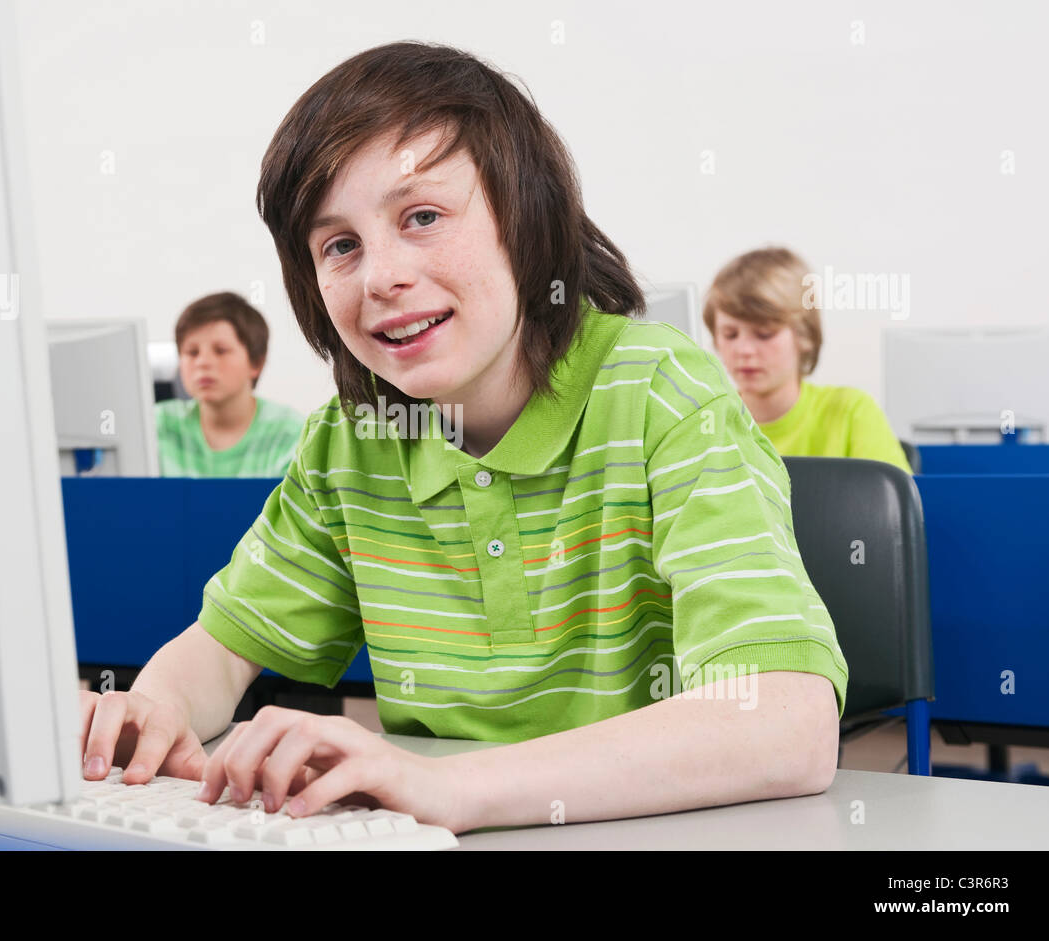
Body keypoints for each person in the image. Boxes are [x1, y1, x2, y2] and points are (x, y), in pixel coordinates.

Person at [80, 42, 848, 834]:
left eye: (422, 217)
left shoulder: (663, 394)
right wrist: (154, 708)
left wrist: (449, 786)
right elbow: (222, 648)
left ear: (528, 219)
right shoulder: (352, 439)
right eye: (338, 245)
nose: (380, 277)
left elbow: (787, 721)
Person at [704, 247, 913, 473]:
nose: (744, 350)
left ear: (803, 335)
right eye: (730, 334)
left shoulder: (851, 413)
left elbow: (897, 506)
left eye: (764, 334)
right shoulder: (706, 422)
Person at [154, 292, 304, 478]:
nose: (203, 362)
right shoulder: (157, 424)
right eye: (192, 352)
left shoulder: (290, 434)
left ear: (256, 363)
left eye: (221, 351)